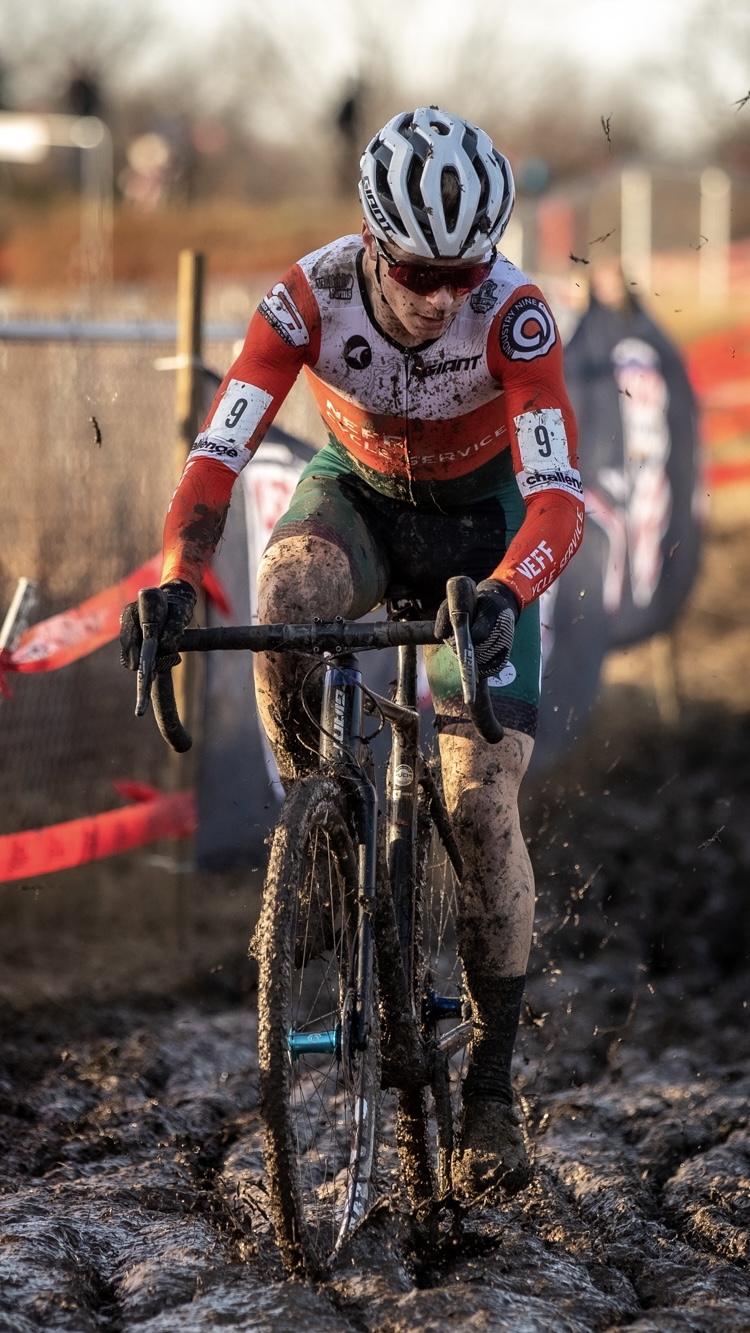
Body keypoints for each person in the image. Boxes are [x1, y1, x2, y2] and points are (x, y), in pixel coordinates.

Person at [120, 107, 584, 1199]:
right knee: (287, 590)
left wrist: (511, 591)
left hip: (488, 531)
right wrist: (176, 577)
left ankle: (488, 1091)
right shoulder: (307, 297)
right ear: (373, 245)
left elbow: (559, 496)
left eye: (465, 273)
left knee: (480, 801)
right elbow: (218, 453)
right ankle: (320, 831)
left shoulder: (514, 317)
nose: (442, 300)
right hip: (364, 504)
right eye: (421, 272)